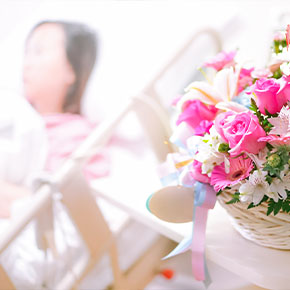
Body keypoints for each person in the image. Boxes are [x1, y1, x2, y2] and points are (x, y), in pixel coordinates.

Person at [23, 20, 110, 180]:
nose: (26, 64)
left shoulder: (77, 136)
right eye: (26, 53)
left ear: (71, 70)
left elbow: (76, 199)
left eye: (38, 51)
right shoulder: (15, 117)